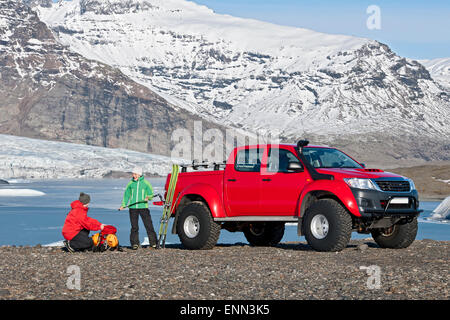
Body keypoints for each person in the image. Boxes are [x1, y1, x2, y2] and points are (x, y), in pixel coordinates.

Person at [119, 166, 157, 250]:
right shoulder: (130, 183)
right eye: (133, 174)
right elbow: (126, 195)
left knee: (148, 225)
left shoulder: (146, 183)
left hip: (143, 207)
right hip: (133, 208)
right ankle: (135, 244)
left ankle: (153, 243)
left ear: (139, 174)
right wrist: (123, 204)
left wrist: (149, 197)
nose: (134, 175)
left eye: (135, 174)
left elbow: (151, 193)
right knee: (134, 227)